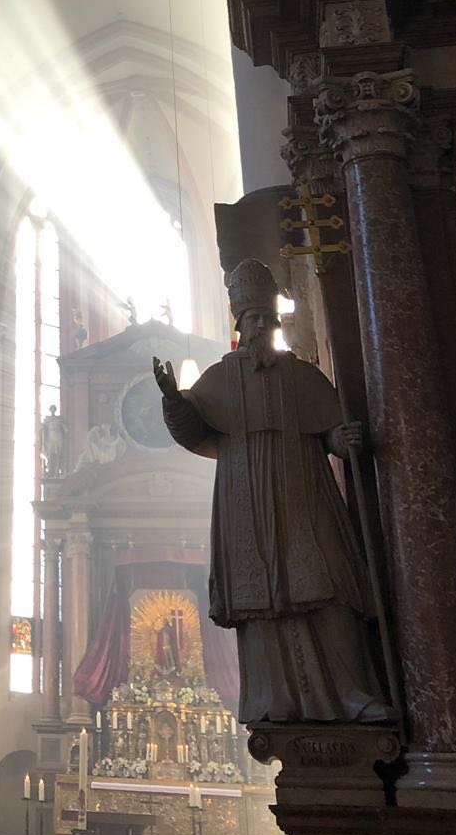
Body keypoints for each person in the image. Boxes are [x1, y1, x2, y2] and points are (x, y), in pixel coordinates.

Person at [153, 258, 394, 726]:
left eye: (267, 317)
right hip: (244, 503)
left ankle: (354, 693)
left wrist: (336, 440)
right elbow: (190, 427)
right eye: (252, 318)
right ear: (239, 324)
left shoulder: (301, 376)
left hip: (303, 494)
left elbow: (326, 426)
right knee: (259, 604)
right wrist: (172, 398)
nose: (260, 326)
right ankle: (272, 698)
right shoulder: (219, 378)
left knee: (328, 587)